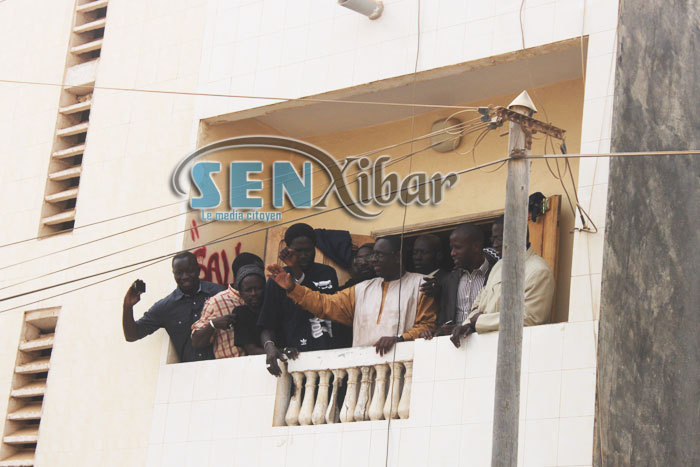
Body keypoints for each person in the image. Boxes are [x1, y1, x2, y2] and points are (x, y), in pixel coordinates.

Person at [267, 235, 437, 356]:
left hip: (402, 368)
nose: (374, 260)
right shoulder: (361, 289)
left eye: (379, 255)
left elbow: (428, 325)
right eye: (373, 255)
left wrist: (399, 339)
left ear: (398, 256)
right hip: (363, 371)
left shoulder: (422, 284)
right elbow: (325, 305)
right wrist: (292, 288)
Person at [258, 223, 344, 376]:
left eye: (308, 250)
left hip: (329, 356)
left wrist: (295, 268)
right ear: (288, 249)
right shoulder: (277, 280)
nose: (303, 255)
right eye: (298, 251)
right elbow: (267, 323)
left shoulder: (327, 273)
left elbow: (319, 302)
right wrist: (270, 347)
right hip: (295, 360)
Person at [451, 229, 555, 347]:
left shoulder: (539, 271)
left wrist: (480, 322)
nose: (494, 244)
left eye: (499, 239)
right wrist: (468, 325)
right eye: (493, 239)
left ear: (518, 236)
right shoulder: (499, 265)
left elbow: (530, 318)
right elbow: (478, 303)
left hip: (519, 350)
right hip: (486, 348)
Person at [122, 251, 225, 362]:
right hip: (190, 375)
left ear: (198, 270)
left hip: (223, 369)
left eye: (189, 271)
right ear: (174, 274)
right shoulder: (166, 307)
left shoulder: (219, 293)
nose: (184, 277)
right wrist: (127, 307)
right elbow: (131, 336)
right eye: (179, 273)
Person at [421, 223, 497, 339]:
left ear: (476, 247)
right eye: (451, 248)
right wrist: (436, 332)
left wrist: (469, 327)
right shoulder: (448, 281)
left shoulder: (495, 275)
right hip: (455, 347)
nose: (452, 253)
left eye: (458, 247)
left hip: (487, 342)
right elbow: (442, 322)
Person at [191, 254, 266, 358]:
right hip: (231, 368)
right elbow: (196, 342)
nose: (261, 274)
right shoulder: (216, 302)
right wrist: (213, 324)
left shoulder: (265, 298)